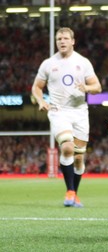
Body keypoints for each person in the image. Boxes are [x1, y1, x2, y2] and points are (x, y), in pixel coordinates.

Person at [31, 27, 102, 208]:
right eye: (59, 39)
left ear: (73, 41)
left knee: (79, 159)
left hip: (79, 112)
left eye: (65, 38)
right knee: (68, 147)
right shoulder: (48, 64)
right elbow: (36, 87)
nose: (61, 41)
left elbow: (97, 87)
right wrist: (40, 100)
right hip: (58, 111)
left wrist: (86, 88)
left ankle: (74, 193)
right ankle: (70, 191)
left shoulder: (83, 62)